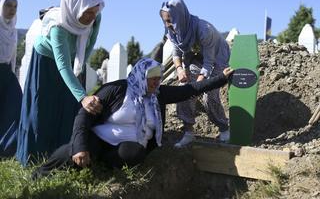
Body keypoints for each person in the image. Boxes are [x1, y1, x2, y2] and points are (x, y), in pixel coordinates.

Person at [32, 58, 233, 178]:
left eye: (158, 77)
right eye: (151, 77)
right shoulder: (116, 90)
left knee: (136, 153)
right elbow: (84, 116)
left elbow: (189, 90)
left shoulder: (158, 94)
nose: (156, 82)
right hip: (100, 138)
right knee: (74, 152)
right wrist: (80, 146)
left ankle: (102, 165)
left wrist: (221, 78)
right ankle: (42, 173)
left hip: (122, 147)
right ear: (140, 75)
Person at [16, 0, 105, 166]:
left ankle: (61, 152)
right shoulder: (58, 27)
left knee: (67, 107)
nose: (91, 17)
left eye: (94, 12)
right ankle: (35, 157)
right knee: (43, 108)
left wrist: (79, 66)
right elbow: (62, 65)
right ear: (75, 8)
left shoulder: (95, 17)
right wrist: (82, 96)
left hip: (71, 60)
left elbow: (89, 43)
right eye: (87, 12)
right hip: (46, 62)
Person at [160, 0, 231, 148]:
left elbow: (209, 62)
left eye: (170, 20)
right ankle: (188, 132)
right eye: (165, 21)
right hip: (197, 58)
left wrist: (200, 82)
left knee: (208, 94)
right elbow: (176, 52)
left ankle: (224, 128)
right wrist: (180, 70)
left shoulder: (204, 30)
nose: (167, 25)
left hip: (217, 59)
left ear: (179, 16)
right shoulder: (173, 30)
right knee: (183, 89)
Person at [0, 0, 22, 157]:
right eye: (8, 5)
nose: (12, 9)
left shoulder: (12, 30)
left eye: (15, 6)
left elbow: (12, 56)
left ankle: (7, 147)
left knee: (15, 107)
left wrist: (12, 73)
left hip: (7, 74)